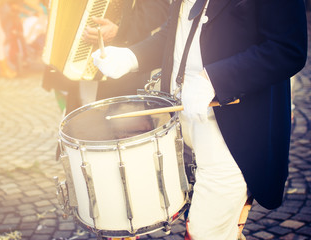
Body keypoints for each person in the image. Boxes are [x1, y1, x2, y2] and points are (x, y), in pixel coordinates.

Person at [92, 0, 308, 239]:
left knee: (205, 232)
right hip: (179, 122)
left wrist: (214, 79)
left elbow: (287, 49)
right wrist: (131, 57)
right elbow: (176, 32)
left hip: (235, 131)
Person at [42, 0, 170, 114]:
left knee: (118, 131)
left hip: (120, 67)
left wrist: (120, 31)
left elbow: (158, 8)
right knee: (78, 125)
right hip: (75, 63)